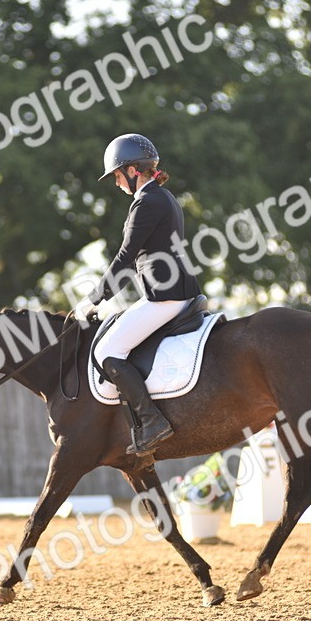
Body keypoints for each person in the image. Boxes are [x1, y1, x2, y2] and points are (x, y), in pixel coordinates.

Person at [79, 133, 201, 456]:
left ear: (133, 171)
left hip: (166, 297)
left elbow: (125, 257)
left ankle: (151, 421)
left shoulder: (147, 203)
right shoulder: (166, 198)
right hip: (174, 291)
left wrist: (93, 298)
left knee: (107, 350)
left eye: (117, 176)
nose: (116, 184)